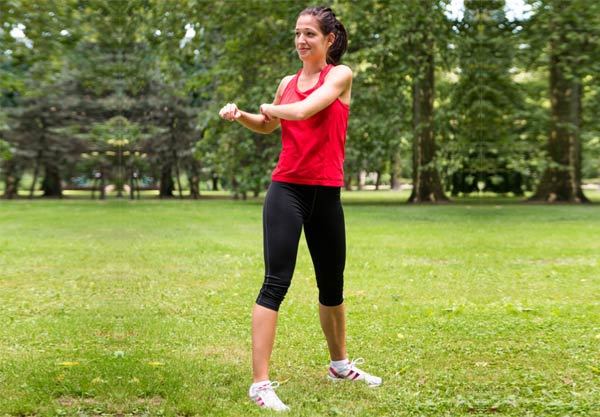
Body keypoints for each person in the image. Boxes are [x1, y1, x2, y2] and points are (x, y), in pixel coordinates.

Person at [218, 6, 382, 412]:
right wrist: (242, 116)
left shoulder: (339, 76)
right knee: (276, 282)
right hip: (287, 190)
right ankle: (260, 385)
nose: (301, 41)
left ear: (329, 40)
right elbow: (268, 124)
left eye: (310, 33)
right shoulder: (286, 82)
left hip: (326, 193)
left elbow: (308, 109)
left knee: (332, 286)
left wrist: (274, 110)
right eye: (297, 34)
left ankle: (340, 366)